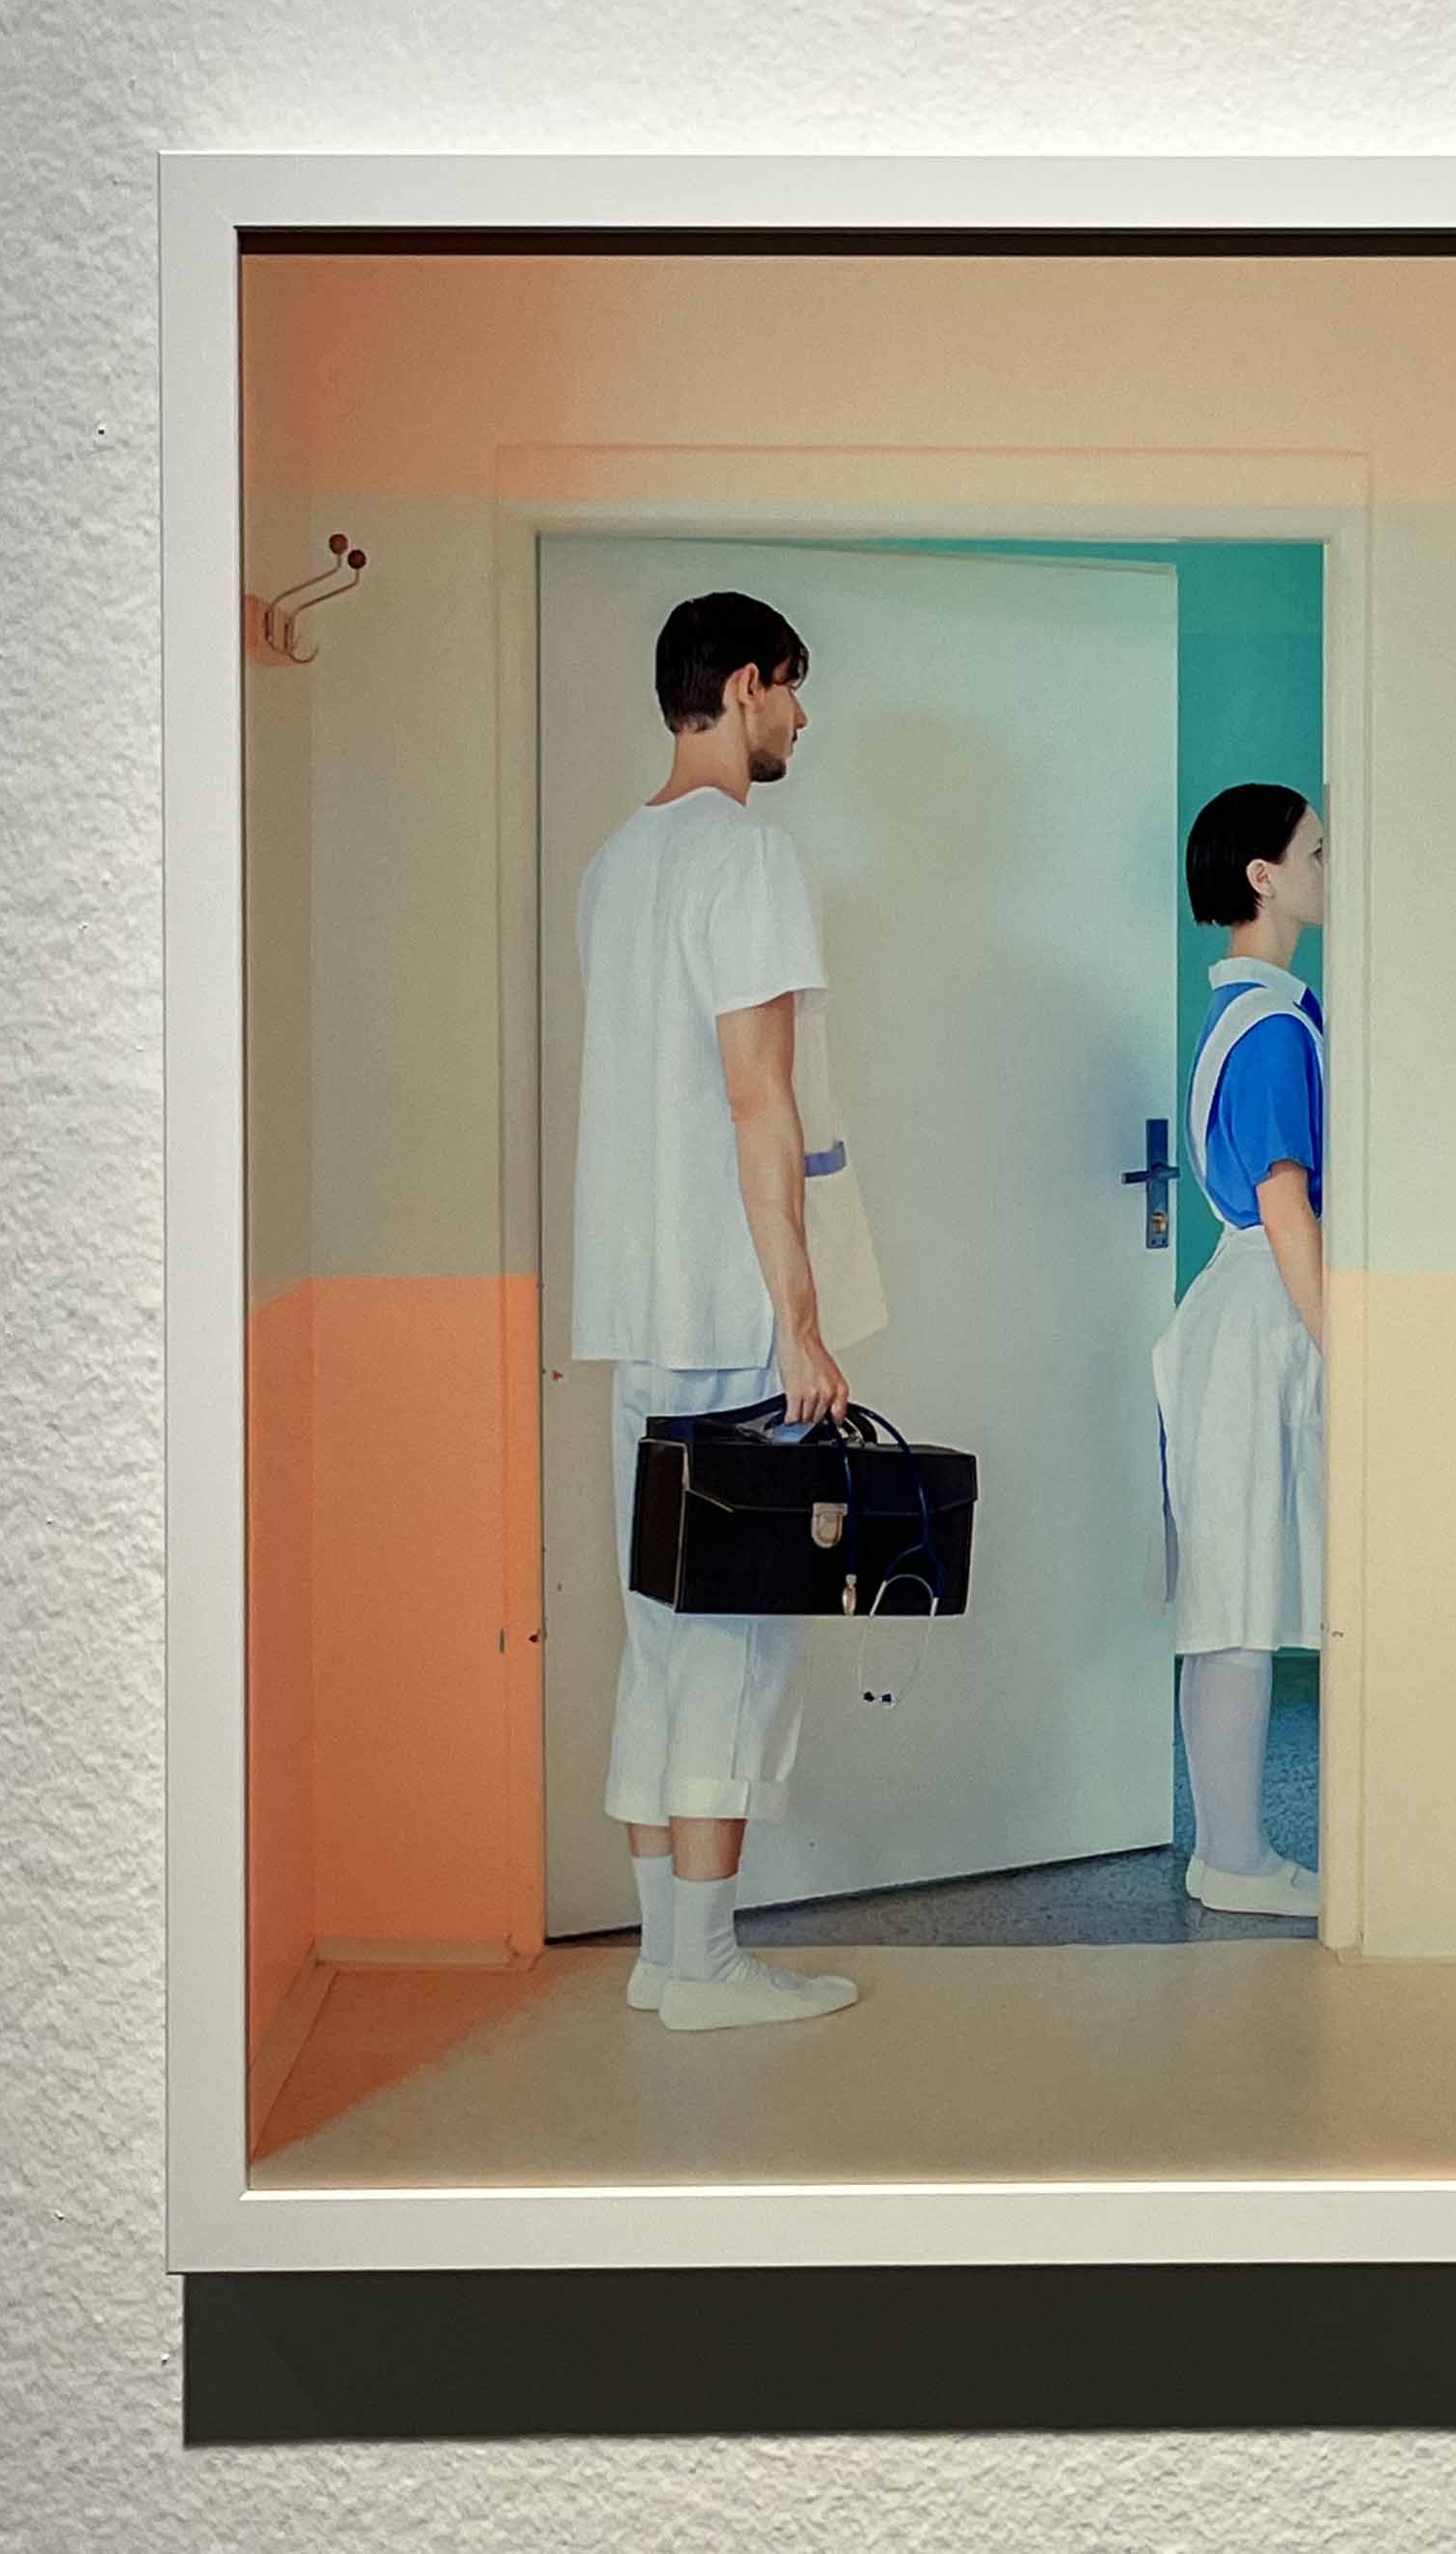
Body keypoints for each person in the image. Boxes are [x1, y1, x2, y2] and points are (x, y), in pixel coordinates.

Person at [567, 590, 888, 2030]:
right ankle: (704, 1967)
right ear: (747, 684)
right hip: (722, 1301)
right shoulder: (745, 855)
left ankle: (663, 1953)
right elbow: (760, 1100)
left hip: (638, 1306)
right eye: (795, 691)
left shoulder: (614, 864)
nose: (802, 720)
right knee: (737, 1636)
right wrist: (801, 1320)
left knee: (661, 1625)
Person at [1153, 781, 1332, 1921]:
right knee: (1235, 1601)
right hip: (1265, 1310)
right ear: (1263, 877)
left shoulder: (1261, 1013)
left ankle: (1232, 1853)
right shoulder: (1269, 1029)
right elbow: (1284, 1204)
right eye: (1315, 851)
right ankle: (1232, 1859)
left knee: (1235, 1594)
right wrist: (1346, 1348)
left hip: (1251, 1312)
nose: (1327, 867)